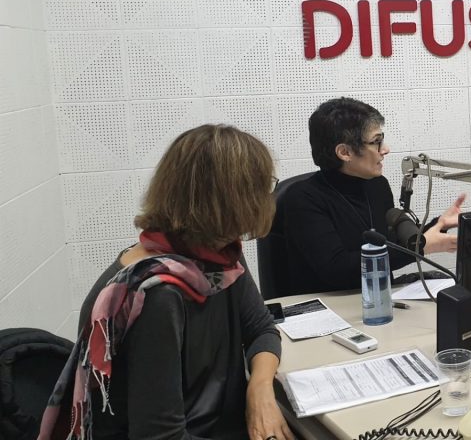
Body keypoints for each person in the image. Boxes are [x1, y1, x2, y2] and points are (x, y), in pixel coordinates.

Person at [39, 125, 290, 440]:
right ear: (231, 200)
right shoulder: (155, 294)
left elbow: (262, 329)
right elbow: (161, 436)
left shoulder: (218, 257)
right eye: (262, 186)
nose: (268, 197)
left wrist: (260, 388)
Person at [273, 97, 464, 294]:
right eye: (376, 142)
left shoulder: (377, 186)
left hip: (380, 300)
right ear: (345, 152)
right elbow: (336, 268)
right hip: (329, 311)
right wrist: (421, 249)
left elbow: (393, 243)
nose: (385, 149)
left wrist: (438, 225)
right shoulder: (302, 198)